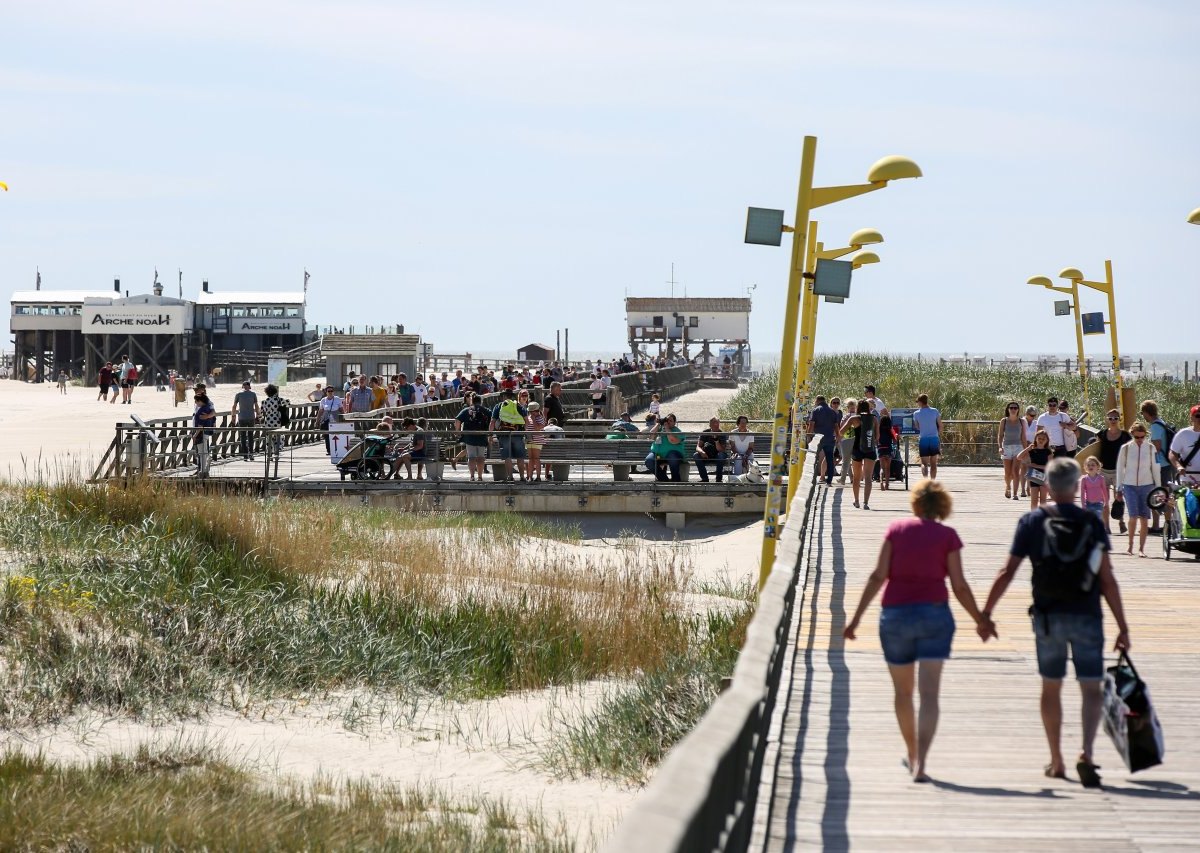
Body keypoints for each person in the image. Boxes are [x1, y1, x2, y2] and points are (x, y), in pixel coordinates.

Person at [981, 457, 1130, 787]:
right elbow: (1108, 579)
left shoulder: (1033, 520)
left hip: (1048, 615)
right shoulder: (1091, 523)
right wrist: (1123, 626)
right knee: (1090, 687)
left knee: (1052, 686)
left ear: (1047, 485)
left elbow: (1007, 571)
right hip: (1087, 614)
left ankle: (1057, 760)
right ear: (1077, 486)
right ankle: (1087, 754)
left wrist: (986, 614)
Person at [843, 478, 992, 783]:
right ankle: (922, 761)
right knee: (929, 694)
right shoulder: (948, 536)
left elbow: (877, 576)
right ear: (943, 506)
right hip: (935, 616)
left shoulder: (896, 531)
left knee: (902, 692)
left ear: (915, 503)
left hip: (895, 616)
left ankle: (911, 753)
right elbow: (960, 586)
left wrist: (855, 619)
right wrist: (980, 619)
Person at [1114, 421, 1161, 557]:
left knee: (1145, 518)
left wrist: (1158, 489)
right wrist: (1119, 487)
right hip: (1129, 485)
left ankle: (1141, 549)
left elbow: (1156, 469)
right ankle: (1130, 546)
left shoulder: (1151, 448)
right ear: (1132, 435)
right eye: (1137, 437)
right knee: (1133, 516)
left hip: (1147, 485)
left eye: (1142, 437)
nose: (1140, 440)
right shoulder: (1126, 448)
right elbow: (1119, 468)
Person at [1096, 409, 1131, 535]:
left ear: (1119, 419)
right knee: (1105, 500)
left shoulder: (1126, 436)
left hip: (1119, 471)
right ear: (1106, 419)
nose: (1113, 421)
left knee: (1119, 498)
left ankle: (1121, 521)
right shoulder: (1101, 434)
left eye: (1115, 418)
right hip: (1104, 471)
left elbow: (1130, 452)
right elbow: (1094, 450)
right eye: (1110, 418)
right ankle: (1106, 527)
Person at [1141, 400, 1173, 534]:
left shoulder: (1155, 426)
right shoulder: (1162, 422)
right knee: (1161, 494)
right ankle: (1161, 525)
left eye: (1142, 413)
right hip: (1166, 464)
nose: (1142, 416)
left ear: (1146, 413)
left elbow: (1157, 447)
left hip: (1160, 465)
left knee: (1160, 495)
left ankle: (1167, 526)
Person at [843, 399, 879, 509]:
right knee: (868, 478)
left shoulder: (853, 419)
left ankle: (857, 501)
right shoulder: (874, 419)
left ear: (858, 407)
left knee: (857, 477)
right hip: (870, 449)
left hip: (857, 449)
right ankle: (866, 503)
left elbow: (841, 431)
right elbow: (877, 437)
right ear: (868, 408)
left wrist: (849, 433)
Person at [490, 389, 528, 482]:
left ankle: (510, 477)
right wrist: (526, 434)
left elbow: (492, 422)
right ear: (512, 396)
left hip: (504, 435)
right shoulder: (519, 406)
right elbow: (526, 421)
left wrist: (490, 435)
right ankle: (522, 477)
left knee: (507, 457)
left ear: (503, 396)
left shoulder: (499, 406)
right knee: (520, 457)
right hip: (518, 434)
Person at [455, 392, 492, 483]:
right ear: (481, 401)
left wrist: (458, 431)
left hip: (469, 436)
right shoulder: (486, 410)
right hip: (482, 436)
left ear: (472, 401)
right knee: (480, 457)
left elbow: (457, 420)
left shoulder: (467, 410)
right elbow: (493, 421)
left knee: (471, 457)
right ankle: (480, 476)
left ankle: (472, 476)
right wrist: (490, 434)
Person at [806, 396, 841, 486]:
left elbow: (811, 424)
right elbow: (836, 425)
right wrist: (838, 436)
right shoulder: (832, 411)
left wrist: (809, 436)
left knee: (814, 458)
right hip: (830, 438)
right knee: (829, 459)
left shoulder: (816, 410)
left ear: (817, 401)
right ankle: (829, 481)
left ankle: (812, 479)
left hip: (818, 439)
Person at [1016, 428, 1052, 510]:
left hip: (1045, 477)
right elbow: (1019, 457)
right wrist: (1028, 449)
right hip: (1033, 477)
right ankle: (1034, 518)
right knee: (1034, 501)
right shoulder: (1032, 451)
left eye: (1043, 439)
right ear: (1035, 439)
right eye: (1039, 438)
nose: (1041, 440)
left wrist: (1036, 466)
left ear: (1047, 440)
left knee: (1043, 501)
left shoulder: (1048, 452)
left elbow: (1050, 466)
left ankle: (1042, 517)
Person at [998, 401, 1027, 500]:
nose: (1013, 410)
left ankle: (1015, 493)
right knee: (1008, 473)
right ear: (1008, 409)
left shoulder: (1021, 421)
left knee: (1016, 471)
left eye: (1015, 408)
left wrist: (1026, 449)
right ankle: (1008, 486)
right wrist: (1000, 447)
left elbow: (1023, 436)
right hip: (1007, 447)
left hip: (1018, 447)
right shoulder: (1004, 421)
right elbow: (1000, 435)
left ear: (1018, 410)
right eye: (1011, 408)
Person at [646, 413, 686, 482]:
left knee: (672, 456)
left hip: (674, 456)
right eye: (667, 420)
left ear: (674, 422)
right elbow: (651, 437)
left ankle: (675, 479)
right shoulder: (659, 429)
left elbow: (672, 441)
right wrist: (658, 424)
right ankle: (663, 479)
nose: (668, 422)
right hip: (658, 455)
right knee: (649, 461)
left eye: (670, 421)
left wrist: (667, 428)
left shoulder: (677, 431)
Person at [1168, 404, 1200, 487]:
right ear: (1191, 418)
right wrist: (1179, 466)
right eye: (1198, 416)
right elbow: (1172, 453)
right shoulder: (1183, 434)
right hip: (1188, 479)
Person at [913, 394, 942, 479]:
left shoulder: (916, 413)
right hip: (934, 438)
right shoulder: (935, 411)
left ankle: (925, 481)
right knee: (933, 463)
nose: (917, 404)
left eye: (918, 402)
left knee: (924, 463)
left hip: (923, 439)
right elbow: (940, 425)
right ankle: (932, 482)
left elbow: (917, 426)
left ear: (921, 402)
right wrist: (938, 435)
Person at [693, 417, 728, 483]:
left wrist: (716, 440)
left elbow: (721, 450)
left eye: (717, 423)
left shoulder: (722, 434)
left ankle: (718, 479)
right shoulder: (705, 432)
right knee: (696, 455)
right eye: (714, 423)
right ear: (710, 425)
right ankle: (704, 479)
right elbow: (698, 447)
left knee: (720, 456)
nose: (716, 425)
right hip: (707, 454)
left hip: (718, 454)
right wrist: (702, 452)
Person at [231, 381, 260, 461]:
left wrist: (233, 417)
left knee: (243, 436)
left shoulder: (238, 394)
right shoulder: (253, 394)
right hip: (251, 417)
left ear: (242, 386)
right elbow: (256, 406)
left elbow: (234, 406)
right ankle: (251, 454)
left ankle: (245, 455)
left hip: (242, 417)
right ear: (249, 387)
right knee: (251, 436)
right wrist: (258, 416)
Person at [192, 389, 217, 478]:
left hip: (201, 433)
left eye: (196, 401)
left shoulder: (202, 410)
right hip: (206, 432)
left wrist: (195, 435)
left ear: (200, 401)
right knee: (205, 452)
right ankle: (205, 469)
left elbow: (200, 425)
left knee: (201, 453)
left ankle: (202, 471)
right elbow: (213, 416)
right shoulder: (208, 408)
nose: (195, 403)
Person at [260, 383, 288, 458]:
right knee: (277, 437)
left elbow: (261, 412)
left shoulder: (264, 401)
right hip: (276, 420)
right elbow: (288, 403)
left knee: (269, 438)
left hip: (268, 421)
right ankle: (276, 452)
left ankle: (269, 454)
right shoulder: (279, 399)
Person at [1079, 457, 1108, 521]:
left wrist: (1106, 502)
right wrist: (1083, 505)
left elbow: (1104, 491)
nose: (1090, 467)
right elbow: (1082, 493)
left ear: (1098, 466)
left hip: (1099, 504)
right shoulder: (1084, 479)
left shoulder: (1101, 478)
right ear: (1086, 467)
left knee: (1097, 520)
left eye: (1093, 465)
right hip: (1088, 504)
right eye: (1088, 465)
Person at [837, 398, 858, 486]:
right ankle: (853, 478)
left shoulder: (846, 416)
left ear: (847, 407)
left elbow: (841, 427)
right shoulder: (858, 416)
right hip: (856, 439)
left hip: (846, 439)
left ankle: (842, 479)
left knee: (846, 460)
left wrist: (838, 438)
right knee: (854, 460)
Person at [1019, 405, 1039, 496]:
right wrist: (1024, 443)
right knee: (1023, 467)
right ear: (1026, 414)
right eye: (1031, 415)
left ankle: (1028, 487)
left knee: (1031, 467)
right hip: (1023, 446)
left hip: (1033, 447)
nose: (1032, 417)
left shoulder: (1036, 422)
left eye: (1034, 415)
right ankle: (1023, 489)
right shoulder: (1021, 421)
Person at [318, 386, 341, 454]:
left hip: (335, 419)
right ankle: (329, 450)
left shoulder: (337, 399)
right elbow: (320, 411)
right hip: (326, 419)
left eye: (331, 391)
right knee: (327, 436)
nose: (330, 392)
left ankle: (336, 449)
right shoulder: (323, 400)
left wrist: (344, 418)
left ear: (333, 392)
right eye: (329, 391)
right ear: (326, 392)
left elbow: (341, 409)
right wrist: (317, 420)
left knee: (335, 435)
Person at [877, 407, 895, 491]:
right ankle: (887, 484)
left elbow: (876, 439)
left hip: (881, 448)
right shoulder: (890, 429)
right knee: (888, 468)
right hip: (888, 448)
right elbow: (895, 439)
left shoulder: (878, 429)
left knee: (882, 467)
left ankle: (881, 482)